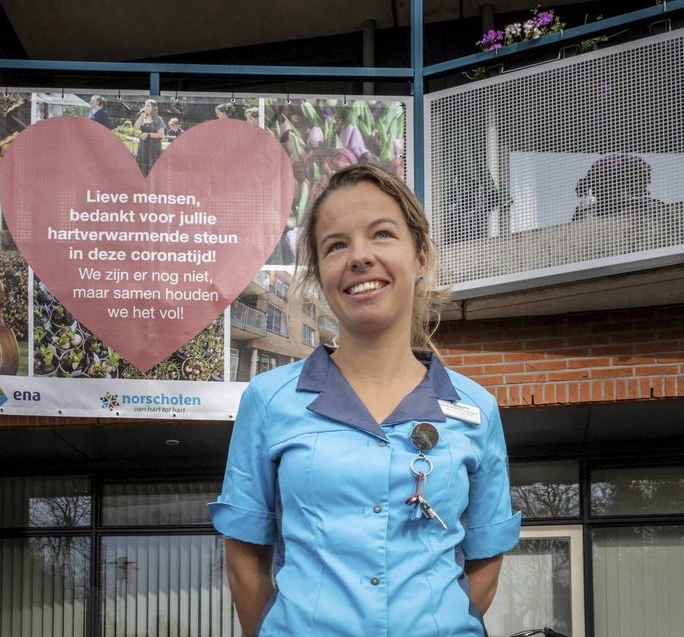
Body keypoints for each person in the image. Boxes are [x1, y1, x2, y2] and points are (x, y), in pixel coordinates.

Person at [209, 165, 521, 636]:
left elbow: (485, 564)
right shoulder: (269, 401)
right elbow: (244, 565)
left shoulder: (476, 410)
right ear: (319, 274)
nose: (360, 258)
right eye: (336, 245)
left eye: (381, 235)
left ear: (419, 257)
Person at [134, 99, 166, 176]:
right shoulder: (144, 118)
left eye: (148, 105)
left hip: (153, 150)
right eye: (145, 105)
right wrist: (141, 116)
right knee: (142, 170)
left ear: (153, 108)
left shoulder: (158, 119)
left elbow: (161, 134)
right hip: (143, 149)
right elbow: (136, 127)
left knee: (152, 171)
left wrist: (148, 134)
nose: (146, 107)